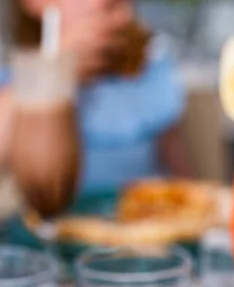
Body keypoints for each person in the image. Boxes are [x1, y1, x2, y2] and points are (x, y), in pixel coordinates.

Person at [0, 0, 190, 211]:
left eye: (127, 6)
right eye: (109, 8)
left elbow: (177, 165)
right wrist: (55, 68)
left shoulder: (149, 73)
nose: (125, 17)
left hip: (142, 217)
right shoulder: (14, 82)